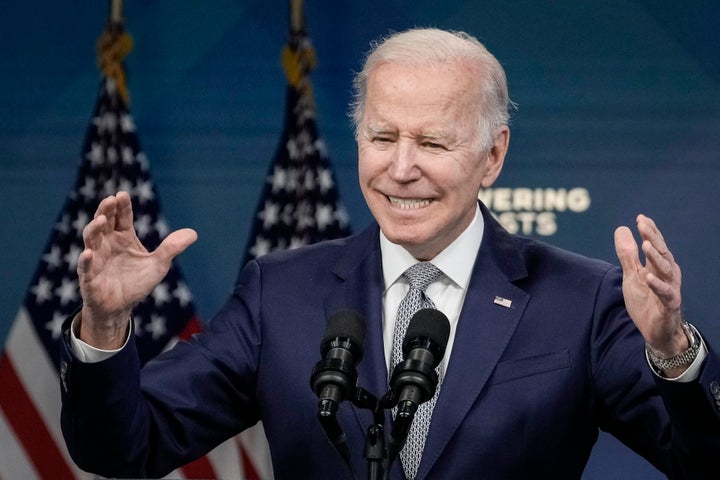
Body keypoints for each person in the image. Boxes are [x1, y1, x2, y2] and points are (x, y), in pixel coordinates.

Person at [60, 28, 720, 479]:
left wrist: (673, 351)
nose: (400, 169)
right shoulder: (280, 293)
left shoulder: (581, 299)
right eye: (382, 137)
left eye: (432, 143)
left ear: (493, 156)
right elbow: (120, 448)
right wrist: (104, 328)